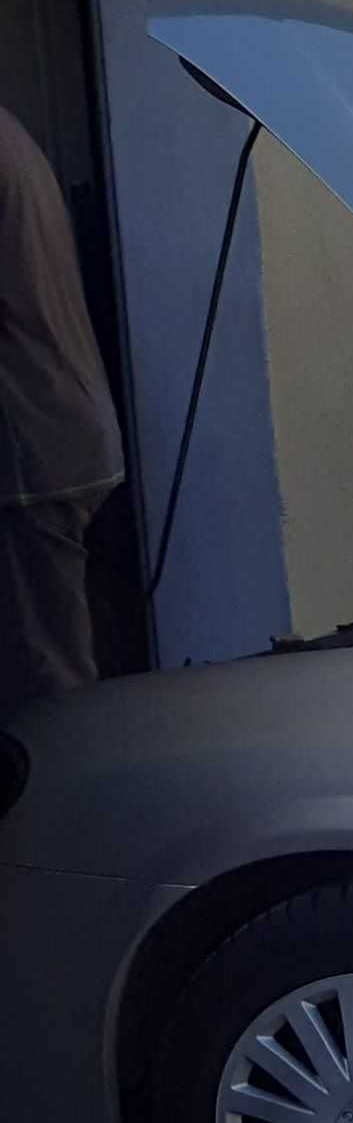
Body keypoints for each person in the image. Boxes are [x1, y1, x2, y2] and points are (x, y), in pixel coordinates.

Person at [0, 106, 123, 719]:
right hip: (60, 435)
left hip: (31, 451)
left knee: (47, 675)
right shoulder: (13, 137)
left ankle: (74, 810)